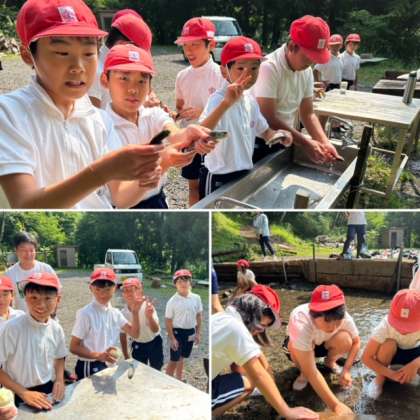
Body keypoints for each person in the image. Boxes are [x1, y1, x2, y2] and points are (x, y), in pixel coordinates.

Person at [0, 0, 193, 209]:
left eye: (88, 53)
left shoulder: (98, 118)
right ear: (28, 55)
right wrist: (103, 171)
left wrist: (157, 168)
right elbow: (24, 205)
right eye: (62, 53)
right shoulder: (10, 113)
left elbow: (120, 198)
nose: (78, 67)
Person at [101, 43, 215, 208]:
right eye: (124, 78)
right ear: (105, 80)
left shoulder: (152, 114)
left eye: (142, 81)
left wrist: (189, 135)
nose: (133, 89)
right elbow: (121, 198)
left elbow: (174, 134)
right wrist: (164, 162)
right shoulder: (102, 127)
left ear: (150, 86)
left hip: (158, 199)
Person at [199, 36, 293, 198]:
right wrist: (226, 104)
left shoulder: (250, 100)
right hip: (218, 175)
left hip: (244, 172)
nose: (248, 74)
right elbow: (201, 132)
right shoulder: (218, 100)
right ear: (224, 71)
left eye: (254, 68)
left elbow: (265, 131)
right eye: (240, 68)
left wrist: (279, 135)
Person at [212, 285, 318, 419]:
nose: (260, 331)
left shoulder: (222, 317)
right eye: (262, 326)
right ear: (254, 310)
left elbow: (252, 360)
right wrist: (287, 411)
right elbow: (259, 376)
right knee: (251, 383)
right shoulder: (236, 329)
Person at [252, 15, 341, 164]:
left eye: (315, 58)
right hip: (260, 139)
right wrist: (306, 143)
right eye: (308, 57)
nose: (311, 63)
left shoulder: (306, 71)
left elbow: (308, 113)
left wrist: (324, 142)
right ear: (292, 46)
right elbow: (268, 117)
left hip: (286, 137)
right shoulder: (269, 68)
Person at [284, 284, 359, 416]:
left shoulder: (344, 317)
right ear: (313, 314)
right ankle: (302, 374)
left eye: (337, 321)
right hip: (299, 348)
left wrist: (346, 370)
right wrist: (335, 405)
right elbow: (312, 372)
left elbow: (356, 342)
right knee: (293, 345)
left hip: (323, 343)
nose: (333, 326)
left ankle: (330, 362)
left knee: (346, 338)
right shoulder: (301, 321)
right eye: (327, 321)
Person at [174, 18, 225, 206]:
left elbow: (228, 111)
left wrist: (202, 112)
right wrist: (180, 113)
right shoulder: (182, 76)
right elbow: (179, 105)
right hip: (190, 139)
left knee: (214, 189)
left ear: (211, 44)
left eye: (195, 45)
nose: (189, 51)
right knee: (193, 186)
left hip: (213, 140)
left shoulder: (221, 74)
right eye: (185, 45)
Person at [0, 273, 67, 410]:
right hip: (16, 392)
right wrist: (23, 393)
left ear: (58, 299)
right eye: (34, 298)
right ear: (25, 298)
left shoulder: (56, 329)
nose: (41, 305)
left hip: (47, 388)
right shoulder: (11, 329)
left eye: (47, 298)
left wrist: (59, 379)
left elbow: (60, 356)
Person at [70, 268, 142, 379]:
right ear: (91, 288)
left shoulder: (115, 313)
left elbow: (135, 334)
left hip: (108, 363)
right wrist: (98, 355)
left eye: (107, 290)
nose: (102, 294)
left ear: (115, 288)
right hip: (89, 365)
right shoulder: (85, 314)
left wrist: (135, 313)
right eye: (98, 289)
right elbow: (73, 347)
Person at [362, 289, 420, 399]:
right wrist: (391, 374)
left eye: (409, 327)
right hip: (392, 357)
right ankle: (380, 379)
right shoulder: (385, 326)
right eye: (399, 325)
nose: (403, 330)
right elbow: (366, 357)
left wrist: (415, 364)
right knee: (388, 344)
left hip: (414, 353)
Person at [89, 11, 151, 109]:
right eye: (139, 52)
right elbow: (93, 117)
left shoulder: (102, 66)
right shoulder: (96, 73)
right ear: (123, 45)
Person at [165, 269, 202, 381]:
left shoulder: (196, 298)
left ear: (190, 282)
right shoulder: (172, 301)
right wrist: (172, 338)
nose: (183, 284)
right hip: (177, 333)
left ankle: (179, 379)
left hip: (190, 332)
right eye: (179, 281)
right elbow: (168, 320)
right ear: (175, 284)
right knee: (174, 359)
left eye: (185, 280)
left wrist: (198, 333)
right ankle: (167, 380)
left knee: (182, 357)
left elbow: (199, 315)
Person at [119, 277, 164, 371]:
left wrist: (150, 317)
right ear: (123, 294)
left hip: (154, 341)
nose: (129, 293)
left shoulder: (147, 307)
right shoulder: (123, 313)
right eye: (125, 290)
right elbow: (122, 334)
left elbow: (155, 329)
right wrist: (126, 355)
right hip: (137, 344)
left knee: (156, 367)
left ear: (140, 291)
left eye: (132, 289)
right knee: (139, 370)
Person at [5, 231, 55, 311]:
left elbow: (57, 293)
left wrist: (52, 313)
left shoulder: (46, 269)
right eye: (23, 250)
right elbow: (7, 299)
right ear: (16, 251)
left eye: (31, 250)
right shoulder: (9, 274)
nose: (28, 254)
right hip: (22, 317)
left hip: (45, 315)